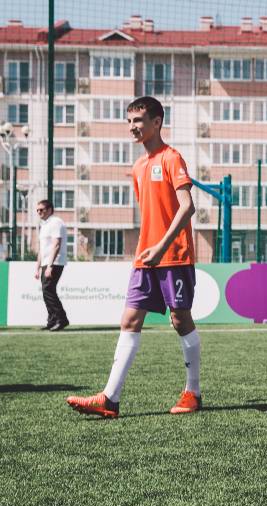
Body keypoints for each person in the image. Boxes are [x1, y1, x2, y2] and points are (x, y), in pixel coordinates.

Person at [66, 96, 201, 418]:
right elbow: (150, 215)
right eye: (129, 121)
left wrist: (162, 246)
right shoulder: (138, 167)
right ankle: (109, 399)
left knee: (180, 320)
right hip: (146, 257)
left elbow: (187, 207)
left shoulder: (171, 158)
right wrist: (146, 249)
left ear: (157, 122)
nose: (132, 127)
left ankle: (193, 393)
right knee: (129, 320)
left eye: (138, 120)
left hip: (174, 256)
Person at [35, 199, 69, 331]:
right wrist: (37, 268)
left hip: (55, 262)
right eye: (37, 210)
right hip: (46, 263)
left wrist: (50, 266)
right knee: (46, 291)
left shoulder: (56, 222)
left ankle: (61, 319)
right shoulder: (44, 225)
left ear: (49, 210)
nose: (39, 212)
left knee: (48, 290)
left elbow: (56, 244)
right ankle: (52, 320)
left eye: (41, 210)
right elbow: (42, 249)